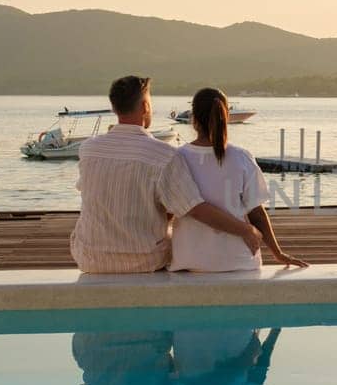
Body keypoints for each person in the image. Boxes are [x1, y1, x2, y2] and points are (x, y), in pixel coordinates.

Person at [71, 76, 262, 273]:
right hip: (144, 261)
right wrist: (246, 230)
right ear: (145, 106)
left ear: (114, 108)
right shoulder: (163, 155)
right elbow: (194, 208)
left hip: (90, 258)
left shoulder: (88, 149)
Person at [170, 87, 307, 271]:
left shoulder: (177, 158)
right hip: (238, 260)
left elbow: (167, 213)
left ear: (193, 118)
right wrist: (278, 253)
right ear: (225, 117)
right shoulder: (241, 157)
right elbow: (256, 213)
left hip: (191, 261)